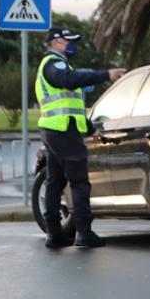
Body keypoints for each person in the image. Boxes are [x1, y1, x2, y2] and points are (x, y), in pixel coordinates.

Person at [35, 27, 126, 248]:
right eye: (68, 41)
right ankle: (84, 232)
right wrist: (105, 74)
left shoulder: (60, 65)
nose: (72, 45)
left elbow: (71, 106)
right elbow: (67, 80)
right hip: (62, 131)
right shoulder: (53, 65)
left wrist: (90, 129)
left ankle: (54, 234)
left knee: (55, 182)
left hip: (57, 129)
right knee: (79, 183)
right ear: (56, 43)